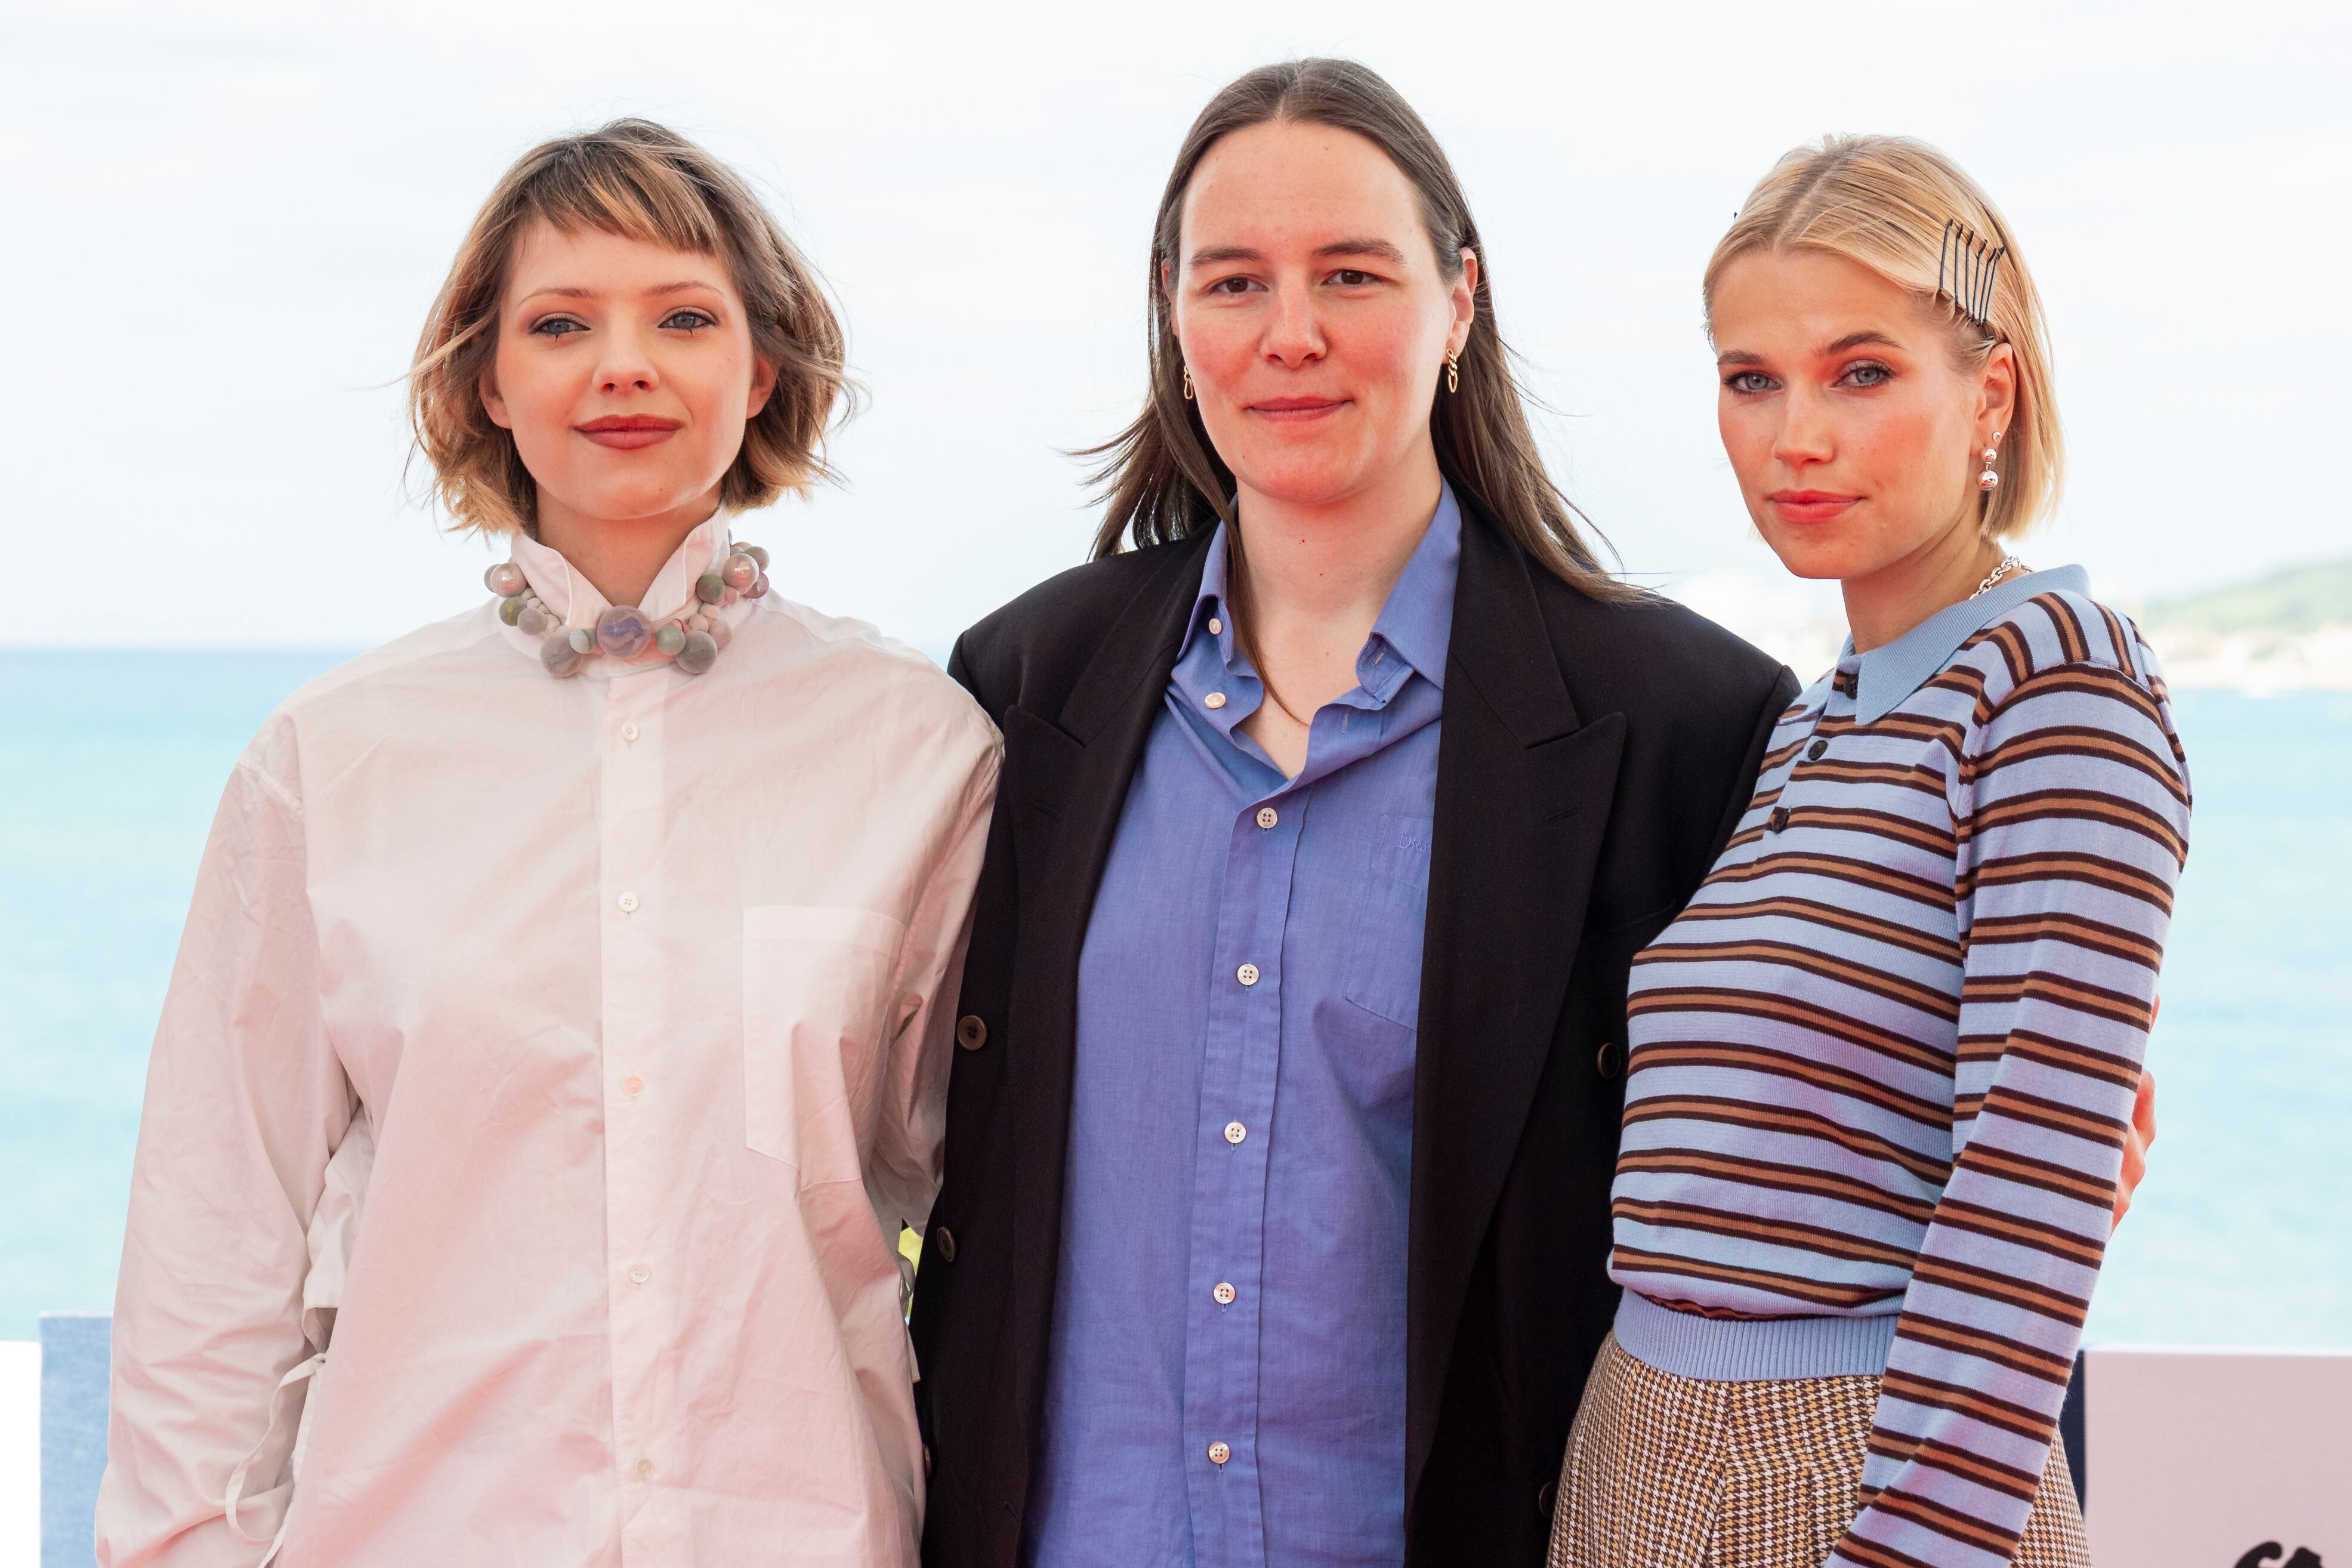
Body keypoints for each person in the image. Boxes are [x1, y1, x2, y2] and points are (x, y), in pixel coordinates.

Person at [908, 60, 1800, 1568]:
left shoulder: (1686, 726)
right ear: (1175, 322)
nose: (1291, 334)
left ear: (1460, 303)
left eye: (1351, 274)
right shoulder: (1018, 689)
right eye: (1235, 281)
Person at [97, 119, 998, 1566]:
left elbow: (975, 1205)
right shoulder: (331, 764)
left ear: (760, 371)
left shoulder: (917, 751)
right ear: (488, 382)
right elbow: (219, 1234)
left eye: (685, 318)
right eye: (562, 322)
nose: (624, 365)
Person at [1549, 135, 2191, 1568]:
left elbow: (2027, 1197)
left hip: (1857, 1464)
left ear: (1992, 393)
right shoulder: (1816, 721)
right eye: (1749, 379)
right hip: (1637, 1455)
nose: (1797, 438)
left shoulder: (2056, 681)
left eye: (1862, 371)